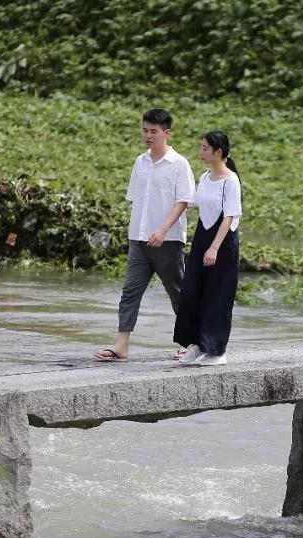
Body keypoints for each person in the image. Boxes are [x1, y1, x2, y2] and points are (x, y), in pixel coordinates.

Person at [94, 108, 195, 362]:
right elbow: (136, 199)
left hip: (168, 240)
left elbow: (183, 201)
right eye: (145, 130)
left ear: (166, 133)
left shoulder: (179, 164)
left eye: (153, 131)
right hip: (139, 239)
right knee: (130, 290)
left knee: (177, 292)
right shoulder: (140, 161)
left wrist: (162, 230)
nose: (148, 136)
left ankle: (190, 343)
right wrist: (139, 232)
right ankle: (122, 345)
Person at [173, 130, 242, 366]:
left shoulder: (231, 180)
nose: (200, 151)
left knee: (217, 295)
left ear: (218, 152)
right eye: (200, 147)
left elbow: (229, 217)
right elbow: (191, 203)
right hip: (202, 237)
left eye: (204, 148)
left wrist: (213, 248)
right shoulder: (204, 177)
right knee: (192, 291)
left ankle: (216, 351)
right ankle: (195, 345)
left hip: (222, 242)